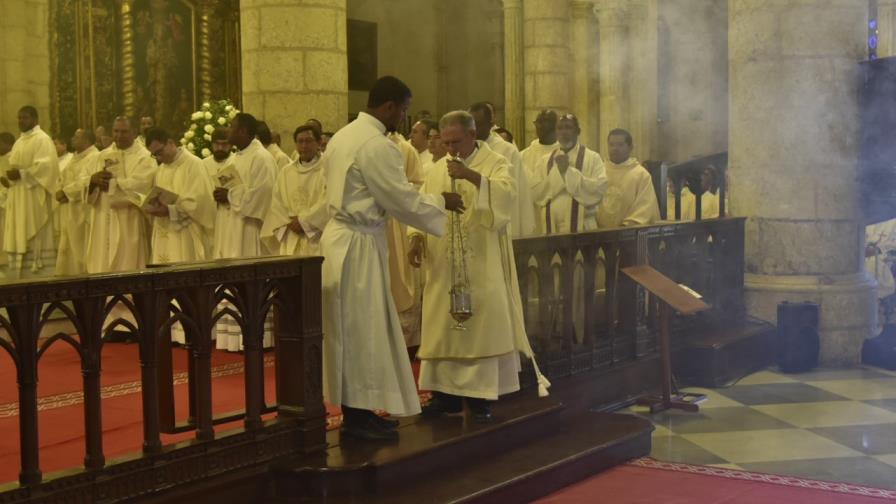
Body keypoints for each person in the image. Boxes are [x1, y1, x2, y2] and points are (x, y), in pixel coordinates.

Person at [322, 75, 462, 441]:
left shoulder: (343, 136)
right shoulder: (376, 145)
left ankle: (360, 410)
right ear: (389, 107)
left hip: (341, 241)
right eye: (403, 110)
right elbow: (401, 198)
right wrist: (442, 202)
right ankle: (357, 418)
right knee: (361, 330)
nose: (403, 117)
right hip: (358, 246)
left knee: (354, 330)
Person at [409, 110, 549, 424]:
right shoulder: (437, 169)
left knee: (482, 327)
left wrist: (471, 176)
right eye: (445, 143)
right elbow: (423, 203)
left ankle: (479, 398)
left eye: (456, 142)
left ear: (472, 135)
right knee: (441, 326)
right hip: (444, 264)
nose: (450, 149)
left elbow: (506, 198)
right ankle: (444, 397)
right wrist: (415, 237)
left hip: (482, 263)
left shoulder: (495, 162)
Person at [212, 112, 276, 352]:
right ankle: (232, 338)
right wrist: (221, 195)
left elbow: (263, 195)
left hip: (249, 230)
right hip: (231, 227)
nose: (228, 131)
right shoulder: (235, 158)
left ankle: (254, 337)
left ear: (243, 131)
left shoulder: (262, 158)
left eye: (232, 127)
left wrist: (229, 195)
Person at [84, 116, 157, 273]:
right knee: (101, 262)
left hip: (129, 219)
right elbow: (85, 180)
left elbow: (142, 184)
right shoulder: (101, 156)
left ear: (134, 132)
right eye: (115, 131)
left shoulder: (145, 157)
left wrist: (112, 184)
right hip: (103, 216)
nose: (118, 136)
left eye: (124, 132)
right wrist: (92, 181)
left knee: (128, 263)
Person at [144, 127, 216, 265]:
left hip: (186, 234)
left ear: (170, 143)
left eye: (159, 152)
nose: (158, 158)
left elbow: (200, 203)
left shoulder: (194, 164)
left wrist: (171, 210)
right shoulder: (161, 169)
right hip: (164, 230)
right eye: (154, 155)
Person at [4, 106, 59, 277]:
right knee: (19, 232)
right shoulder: (19, 141)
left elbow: (47, 167)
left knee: (35, 234)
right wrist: (12, 177)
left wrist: (21, 174)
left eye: (25, 117)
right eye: (19, 117)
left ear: (35, 119)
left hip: (33, 197)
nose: (21, 121)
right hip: (18, 196)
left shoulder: (42, 139)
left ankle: (39, 275)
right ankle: (19, 276)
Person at [530, 114, 607, 234]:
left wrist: (568, 172)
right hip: (552, 227)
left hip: (583, 227)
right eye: (560, 128)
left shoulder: (592, 158)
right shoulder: (544, 160)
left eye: (568, 127)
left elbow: (599, 189)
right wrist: (558, 173)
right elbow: (536, 192)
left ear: (578, 131)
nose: (563, 132)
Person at [261, 124, 329, 256]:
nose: (304, 146)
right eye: (300, 141)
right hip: (291, 235)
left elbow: (328, 202)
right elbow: (277, 203)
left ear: (319, 143)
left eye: (308, 141)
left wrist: (304, 222)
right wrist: (288, 222)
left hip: (317, 237)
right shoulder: (286, 172)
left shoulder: (327, 169)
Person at [469, 101, 534, 237]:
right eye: (471, 125)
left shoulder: (507, 150)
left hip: (501, 221)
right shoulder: (465, 149)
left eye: (478, 124)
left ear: (491, 124)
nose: (474, 129)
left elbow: (517, 192)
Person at [55, 128, 100, 275]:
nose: (73, 139)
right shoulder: (75, 157)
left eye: (76, 137)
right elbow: (62, 177)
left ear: (86, 140)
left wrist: (66, 192)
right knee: (69, 248)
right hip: (69, 209)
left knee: (81, 248)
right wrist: (60, 190)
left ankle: (82, 278)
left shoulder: (95, 157)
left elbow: (87, 181)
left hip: (83, 209)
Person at [596, 129, 660, 228]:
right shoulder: (599, 171)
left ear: (630, 147)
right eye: (611, 145)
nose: (615, 149)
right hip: (597, 232)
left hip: (627, 233)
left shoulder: (641, 175)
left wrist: (625, 228)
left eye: (620, 145)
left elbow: (645, 208)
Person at [521, 109, 560, 182]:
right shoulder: (523, 155)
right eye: (538, 122)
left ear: (556, 126)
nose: (539, 126)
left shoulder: (566, 154)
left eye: (544, 122)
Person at [0, 133, 14, 268]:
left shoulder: (12, 159)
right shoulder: (2, 158)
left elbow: (10, 184)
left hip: (8, 202)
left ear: (7, 144)